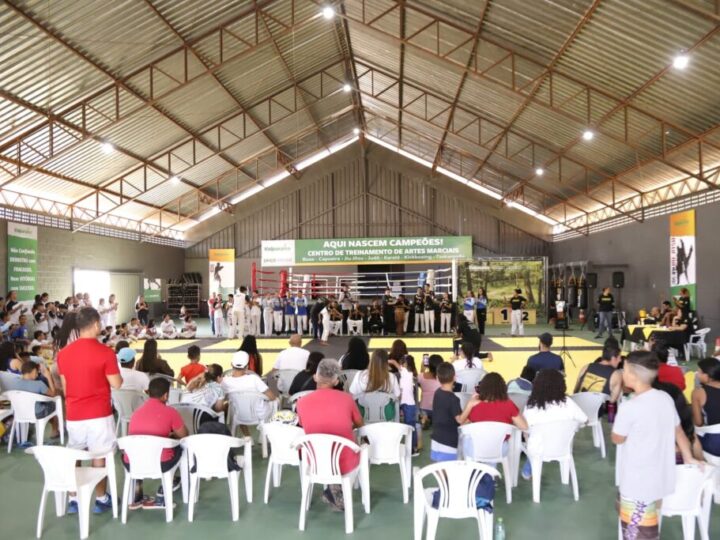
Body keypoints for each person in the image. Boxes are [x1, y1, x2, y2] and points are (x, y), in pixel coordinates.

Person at [612, 351, 699, 539]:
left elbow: (617, 438)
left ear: (633, 375)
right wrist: (689, 457)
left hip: (638, 482)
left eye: (624, 370)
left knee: (639, 533)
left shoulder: (630, 407)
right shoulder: (665, 398)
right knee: (637, 521)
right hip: (660, 476)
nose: (622, 373)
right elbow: (679, 432)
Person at [56, 307, 122, 514]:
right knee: (99, 456)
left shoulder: (64, 354)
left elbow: (66, 388)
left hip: (74, 413)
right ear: (95, 324)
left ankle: (74, 498)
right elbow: (117, 383)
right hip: (99, 413)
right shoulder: (105, 352)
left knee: (75, 453)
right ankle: (101, 498)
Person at [296, 358, 364, 511]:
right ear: (335, 381)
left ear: (315, 377)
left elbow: (303, 425)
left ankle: (332, 489)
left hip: (315, 459)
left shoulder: (301, 402)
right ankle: (336, 487)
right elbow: (360, 424)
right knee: (359, 446)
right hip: (345, 461)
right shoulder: (347, 399)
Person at [125, 377, 188, 509]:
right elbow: (184, 436)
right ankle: (163, 495)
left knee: (138, 450)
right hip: (160, 463)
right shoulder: (170, 412)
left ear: (148, 392)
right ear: (166, 395)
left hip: (132, 462)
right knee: (181, 448)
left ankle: (137, 496)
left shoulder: (136, 413)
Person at [521, 369, 588, 480]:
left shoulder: (532, 405)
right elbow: (585, 420)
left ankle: (529, 469)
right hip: (563, 447)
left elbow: (525, 427)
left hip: (538, 449)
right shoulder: (568, 402)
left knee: (530, 437)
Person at [457, 372, 528, 441]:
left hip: (477, 448)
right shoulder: (509, 405)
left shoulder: (475, 405)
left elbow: (462, 425)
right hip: (501, 450)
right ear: (503, 388)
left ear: (482, 388)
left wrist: (470, 403)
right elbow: (524, 427)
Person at [221, 351, 277, 434]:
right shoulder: (254, 379)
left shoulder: (225, 381)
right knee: (276, 402)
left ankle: (247, 436)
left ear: (231, 364)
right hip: (259, 414)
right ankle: (265, 436)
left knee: (238, 406)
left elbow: (223, 399)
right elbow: (272, 397)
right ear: (247, 367)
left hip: (239, 415)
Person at [16, 360, 61, 439]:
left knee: (43, 403)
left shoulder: (15, 383)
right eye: (37, 372)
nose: (37, 375)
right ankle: (55, 430)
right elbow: (53, 394)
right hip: (37, 413)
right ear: (33, 371)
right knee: (53, 404)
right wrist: (48, 377)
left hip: (20, 413)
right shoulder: (39, 384)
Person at [430, 362, 463, 461]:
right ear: (454, 377)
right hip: (448, 443)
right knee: (450, 472)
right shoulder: (453, 399)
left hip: (436, 439)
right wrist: (471, 404)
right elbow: (460, 420)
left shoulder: (437, 393)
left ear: (437, 378)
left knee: (440, 471)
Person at [388, 354, 420, 454]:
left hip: (406, 403)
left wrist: (388, 361)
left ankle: (412, 447)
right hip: (408, 403)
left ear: (405, 364)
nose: (401, 365)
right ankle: (412, 447)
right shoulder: (410, 373)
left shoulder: (406, 372)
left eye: (402, 363)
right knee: (410, 425)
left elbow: (394, 363)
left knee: (409, 425)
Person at [691, 357, 720, 456]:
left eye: (699, 372)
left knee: (691, 433)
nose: (697, 374)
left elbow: (698, 423)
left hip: (715, 441)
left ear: (709, 375)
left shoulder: (698, 393)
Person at [419, 354, 443, 427]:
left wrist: (422, 368)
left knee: (422, 411)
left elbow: (419, 381)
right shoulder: (443, 377)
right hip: (439, 409)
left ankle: (424, 418)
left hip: (424, 407)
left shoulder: (421, 376)